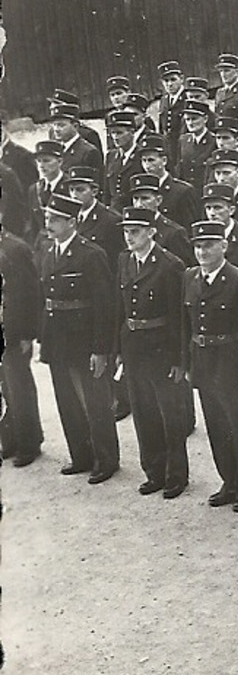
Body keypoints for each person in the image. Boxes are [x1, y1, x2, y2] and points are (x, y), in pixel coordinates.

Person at [183, 220, 238, 512]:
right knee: (217, 427)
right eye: (198, 246)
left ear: (224, 246)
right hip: (205, 364)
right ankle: (229, 482)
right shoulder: (191, 278)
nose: (203, 252)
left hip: (233, 363)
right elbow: (188, 325)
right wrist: (187, 363)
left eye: (209, 245)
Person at [37, 191, 120, 483]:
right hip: (57, 339)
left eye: (56, 219)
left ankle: (106, 460)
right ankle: (81, 456)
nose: (49, 224)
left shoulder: (90, 254)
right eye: (48, 218)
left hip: (84, 341)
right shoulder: (49, 251)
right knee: (67, 401)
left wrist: (101, 349)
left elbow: (104, 305)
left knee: (94, 402)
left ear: (72, 222)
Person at [115, 206, 190, 499]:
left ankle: (175, 476)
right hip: (133, 345)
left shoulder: (170, 265)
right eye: (126, 231)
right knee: (143, 412)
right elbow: (119, 307)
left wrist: (178, 359)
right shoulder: (124, 260)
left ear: (151, 232)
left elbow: (179, 317)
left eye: (135, 231)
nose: (129, 237)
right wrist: (117, 349)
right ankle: (154, 472)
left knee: (169, 414)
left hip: (161, 347)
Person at [0, 215, 45, 467]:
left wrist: (28, 333)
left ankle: (29, 442)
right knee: (3, 389)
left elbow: (30, 293)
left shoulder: (16, 249)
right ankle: (9, 441)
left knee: (18, 388)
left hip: (14, 332)